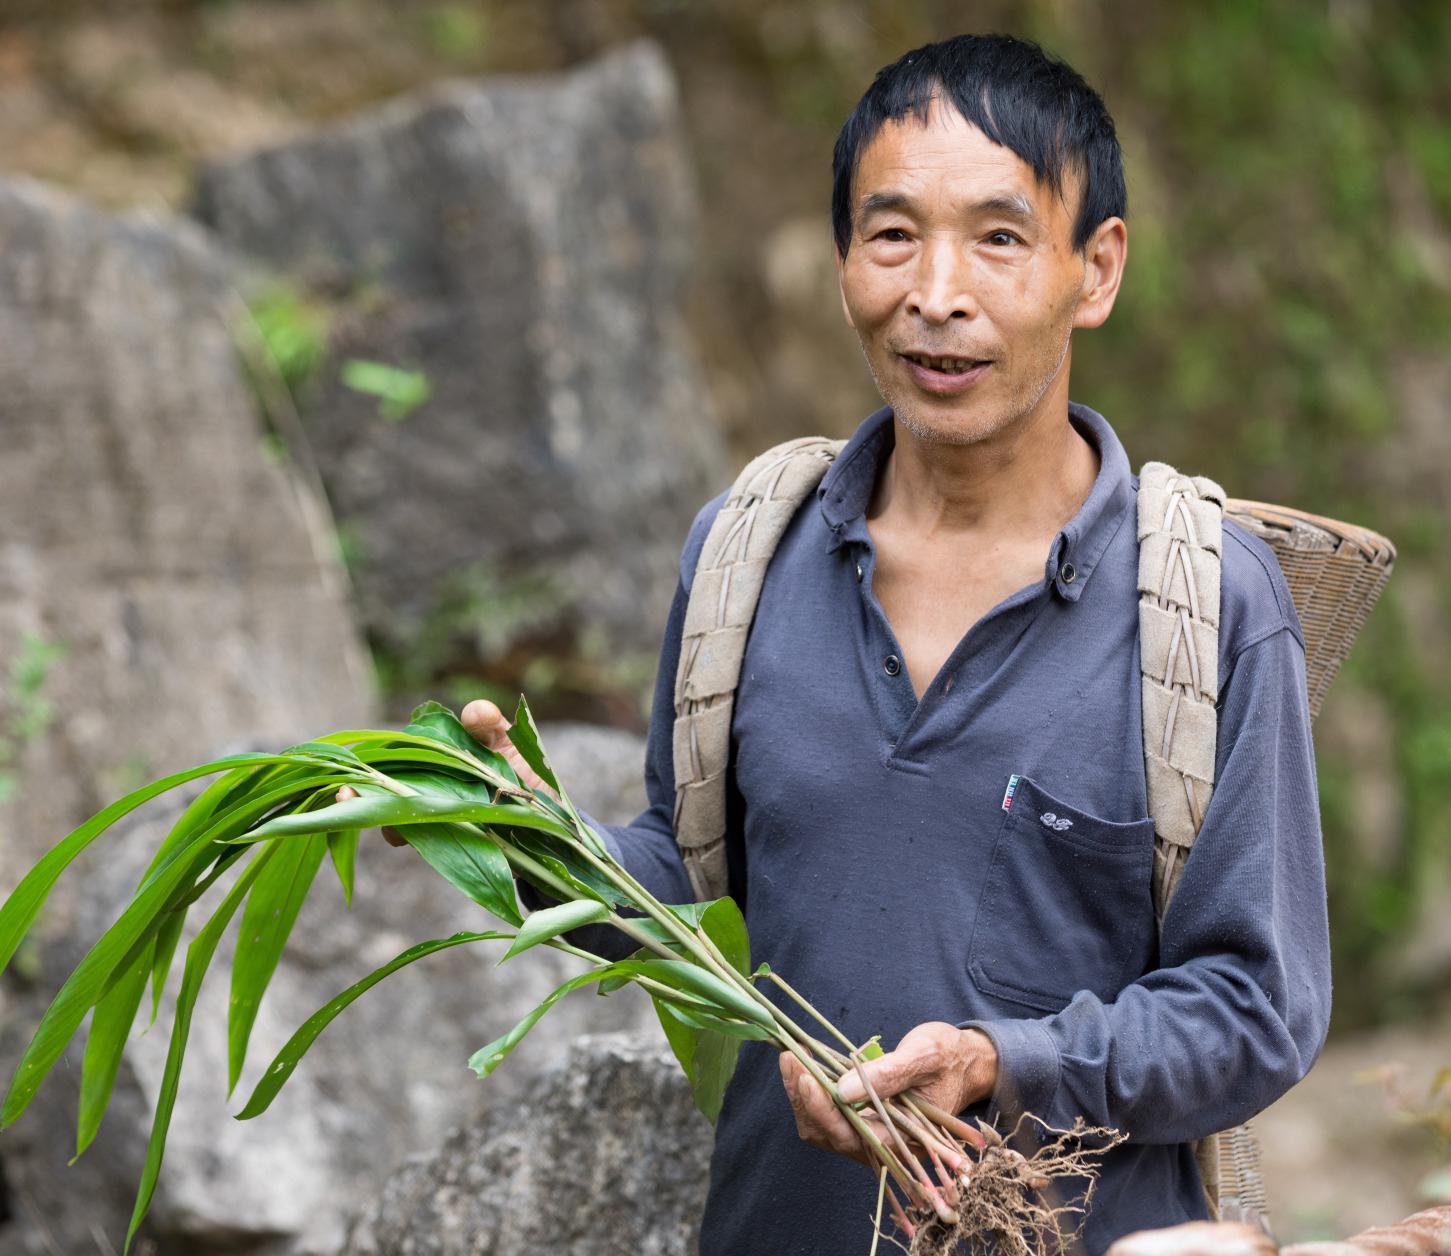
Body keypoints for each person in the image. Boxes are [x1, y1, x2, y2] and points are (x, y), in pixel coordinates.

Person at [346, 32, 1330, 1254]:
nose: (936, 293)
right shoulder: (746, 555)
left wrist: (999, 1059)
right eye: (892, 234)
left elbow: (1253, 1008)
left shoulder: (1203, 602)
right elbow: (691, 892)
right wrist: (529, 841)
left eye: (999, 238)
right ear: (841, 261)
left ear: (1096, 269)